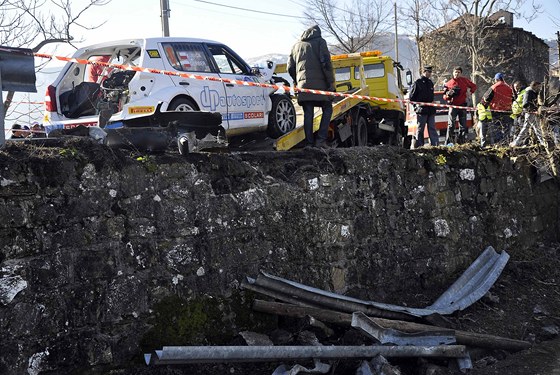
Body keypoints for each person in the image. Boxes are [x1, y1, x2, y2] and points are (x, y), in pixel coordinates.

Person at [288, 25, 335, 148]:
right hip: (321, 87)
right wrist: (331, 83)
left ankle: (309, 143)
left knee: (308, 113)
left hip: (303, 87)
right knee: (328, 108)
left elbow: (290, 67)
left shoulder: (296, 46)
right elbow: (326, 63)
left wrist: (297, 81)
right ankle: (320, 140)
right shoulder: (320, 42)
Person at [443, 66, 477, 145]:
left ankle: (461, 142)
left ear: (461, 73)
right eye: (455, 72)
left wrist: (470, 92)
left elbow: (474, 86)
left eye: (458, 72)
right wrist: (448, 95)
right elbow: (444, 96)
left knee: (463, 125)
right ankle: (449, 142)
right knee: (451, 125)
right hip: (453, 106)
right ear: (453, 73)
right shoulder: (448, 83)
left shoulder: (465, 81)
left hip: (462, 106)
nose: (457, 74)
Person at [409, 66, 437, 148]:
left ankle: (435, 145)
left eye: (430, 72)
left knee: (432, 128)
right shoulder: (418, 82)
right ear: (424, 72)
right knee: (420, 129)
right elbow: (411, 97)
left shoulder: (430, 83)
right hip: (421, 109)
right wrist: (416, 105)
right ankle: (419, 146)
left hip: (430, 109)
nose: (429, 73)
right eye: (428, 72)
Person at [482, 73, 514, 144]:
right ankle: (506, 143)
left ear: (496, 79)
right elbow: (514, 99)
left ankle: (499, 144)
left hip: (496, 111)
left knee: (497, 128)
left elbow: (486, 98)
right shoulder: (509, 87)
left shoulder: (494, 87)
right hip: (507, 111)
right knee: (506, 128)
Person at [510, 81, 544, 147]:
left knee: (537, 128)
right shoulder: (529, 92)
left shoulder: (534, 92)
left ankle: (543, 142)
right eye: (538, 86)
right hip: (529, 113)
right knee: (525, 128)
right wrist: (533, 110)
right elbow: (525, 104)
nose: (539, 88)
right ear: (534, 85)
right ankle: (516, 142)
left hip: (533, 113)